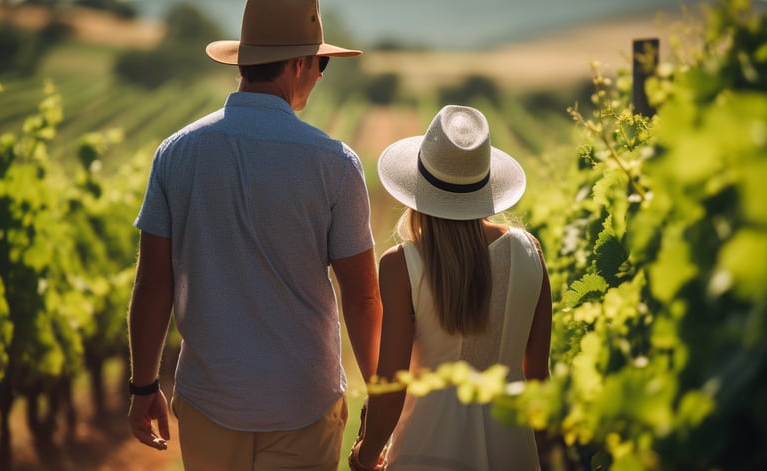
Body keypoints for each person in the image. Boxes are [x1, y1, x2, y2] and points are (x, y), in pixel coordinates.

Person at [125, 0, 382, 469]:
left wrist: (144, 386)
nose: (321, 76)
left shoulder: (177, 153)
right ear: (300, 63)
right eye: (321, 63)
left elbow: (153, 283)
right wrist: (381, 400)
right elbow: (362, 298)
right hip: (305, 401)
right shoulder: (335, 163)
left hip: (209, 402)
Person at [349, 105, 553, 471]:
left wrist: (366, 456)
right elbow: (537, 374)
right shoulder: (529, 251)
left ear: (419, 186)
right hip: (510, 450)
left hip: (424, 451)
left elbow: (393, 385)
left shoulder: (401, 264)